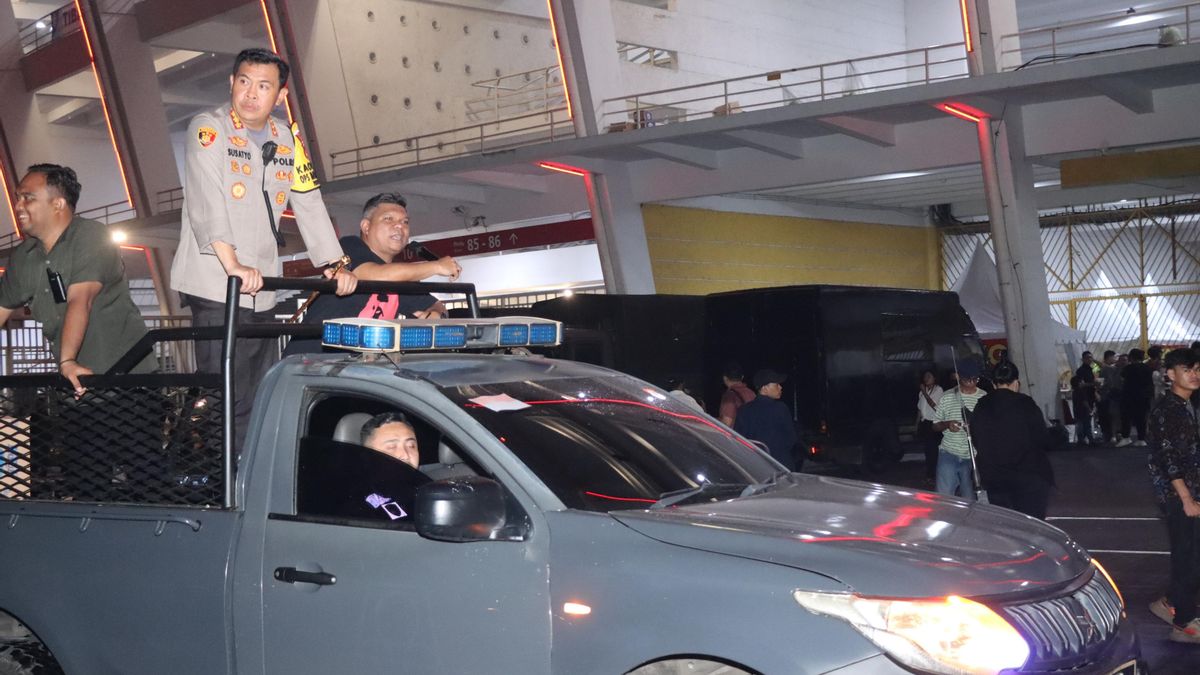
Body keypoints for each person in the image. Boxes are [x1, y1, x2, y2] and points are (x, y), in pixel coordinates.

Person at [170, 48, 356, 446]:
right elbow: (207, 199)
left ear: (280, 95)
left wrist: (333, 264)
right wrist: (231, 263)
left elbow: (307, 198)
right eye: (244, 82)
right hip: (215, 280)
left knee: (258, 389)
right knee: (225, 388)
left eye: (263, 86)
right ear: (231, 84)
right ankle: (219, 474)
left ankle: (247, 469)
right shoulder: (209, 129)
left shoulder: (285, 138)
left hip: (261, 286)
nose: (251, 94)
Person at [0, 164, 153, 393]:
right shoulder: (23, 257)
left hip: (126, 380)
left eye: (27, 198)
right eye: (18, 198)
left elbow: (80, 299)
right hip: (75, 383)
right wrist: (68, 365)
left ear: (57, 204)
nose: (18, 205)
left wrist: (67, 361)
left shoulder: (91, 236)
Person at [283, 192, 461, 355]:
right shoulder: (349, 246)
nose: (399, 226)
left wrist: (436, 313)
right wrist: (436, 266)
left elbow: (436, 305)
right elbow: (373, 274)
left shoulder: (399, 276)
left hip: (353, 371)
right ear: (366, 227)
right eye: (388, 219)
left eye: (405, 222)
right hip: (308, 363)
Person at [1146, 348, 1200, 643]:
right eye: (1187, 369)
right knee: (1189, 558)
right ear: (1170, 374)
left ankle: (1172, 603)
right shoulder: (1169, 409)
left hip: (1190, 493)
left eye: (1197, 369)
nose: (1194, 375)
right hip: (1181, 495)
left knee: (1190, 555)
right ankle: (1183, 623)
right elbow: (1168, 459)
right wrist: (1186, 499)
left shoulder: (1185, 406)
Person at [969, 361, 1055, 519]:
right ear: (1016, 382)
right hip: (1028, 476)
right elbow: (1042, 438)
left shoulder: (981, 405)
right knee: (1032, 525)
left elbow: (976, 438)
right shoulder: (1025, 403)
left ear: (994, 384)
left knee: (1007, 527)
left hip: (995, 477)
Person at [355, 412, 430, 521]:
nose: (405, 454)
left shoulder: (428, 490)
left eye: (411, 446)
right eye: (391, 447)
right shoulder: (358, 503)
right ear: (367, 456)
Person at [933, 358, 987, 499]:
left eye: (975, 379)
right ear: (959, 377)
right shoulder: (947, 397)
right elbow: (935, 425)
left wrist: (975, 428)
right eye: (967, 379)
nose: (972, 383)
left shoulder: (984, 398)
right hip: (949, 453)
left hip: (973, 456)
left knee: (971, 498)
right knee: (944, 497)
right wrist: (947, 424)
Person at [734, 368, 798, 470]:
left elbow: (739, 441)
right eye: (776, 384)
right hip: (782, 466)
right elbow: (791, 438)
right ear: (764, 388)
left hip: (756, 468)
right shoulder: (780, 408)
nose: (780, 387)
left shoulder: (744, 411)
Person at [1117, 348, 1154, 447]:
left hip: (1129, 396)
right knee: (1141, 418)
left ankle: (1126, 437)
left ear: (1131, 357)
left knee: (1126, 417)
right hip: (1144, 397)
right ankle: (1141, 439)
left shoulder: (1128, 368)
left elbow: (1122, 378)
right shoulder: (1147, 368)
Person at [916, 370, 943, 480]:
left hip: (934, 424)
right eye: (925, 376)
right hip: (925, 423)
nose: (926, 378)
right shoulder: (922, 392)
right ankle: (930, 474)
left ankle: (933, 475)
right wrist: (916, 424)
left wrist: (925, 392)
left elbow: (934, 406)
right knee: (928, 450)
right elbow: (919, 408)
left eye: (929, 376)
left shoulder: (938, 390)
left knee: (933, 451)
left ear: (934, 378)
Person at [717, 362, 756, 427]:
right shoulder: (752, 393)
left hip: (735, 435)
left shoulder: (730, 395)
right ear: (742, 377)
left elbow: (726, 423)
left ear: (725, 378)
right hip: (749, 435)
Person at [1098, 350, 1119, 443]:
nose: (1115, 359)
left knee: (1110, 415)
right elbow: (1101, 382)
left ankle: (1111, 434)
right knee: (1108, 415)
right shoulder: (1105, 368)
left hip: (1108, 394)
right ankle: (1108, 434)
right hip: (1106, 395)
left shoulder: (1111, 368)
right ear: (1109, 357)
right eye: (1114, 357)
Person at [1070, 375, 1095, 446]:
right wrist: (1089, 409)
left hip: (1077, 411)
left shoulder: (1074, 392)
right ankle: (1091, 440)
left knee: (1080, 426)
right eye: (1082, 381)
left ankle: (1081, 440)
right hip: (1084, 411)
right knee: (1087, 426)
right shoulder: (1082, 391)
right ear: (1079, 383)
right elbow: (1084, 402)